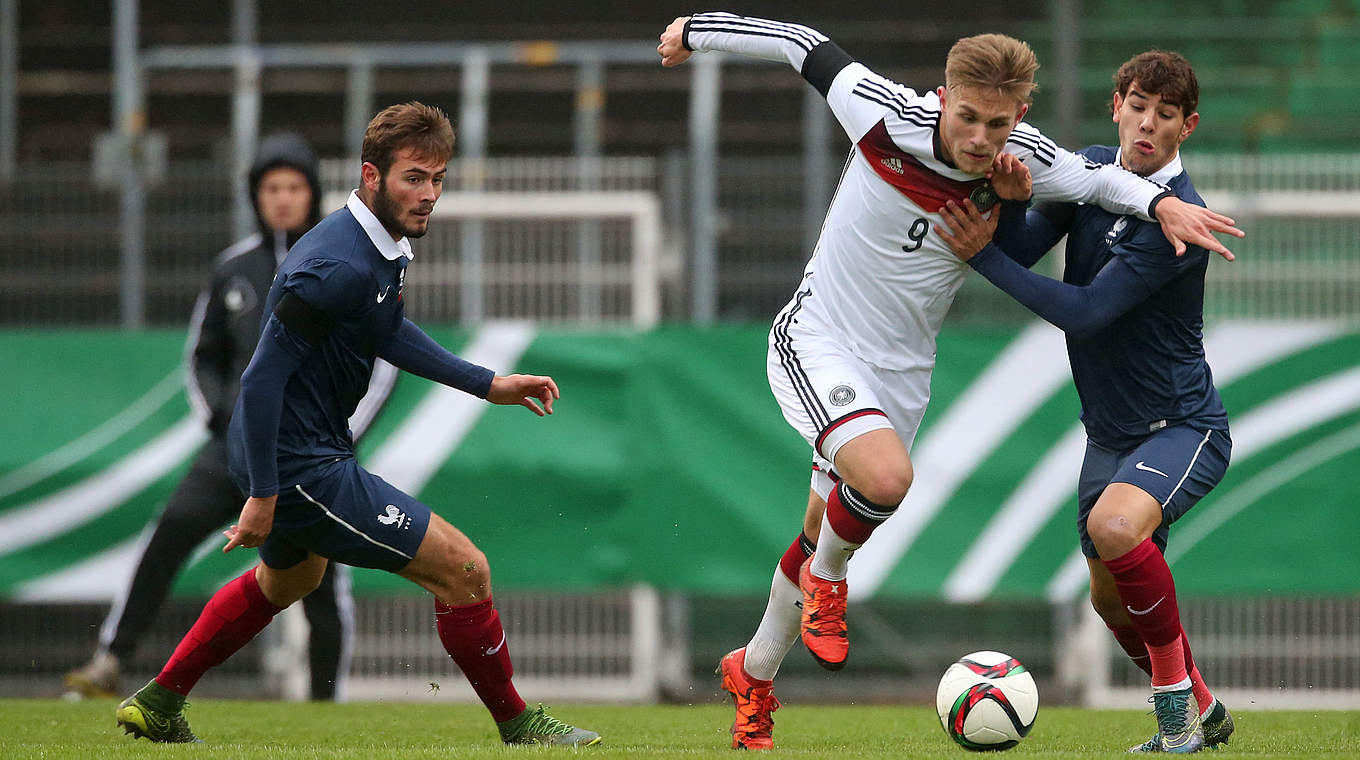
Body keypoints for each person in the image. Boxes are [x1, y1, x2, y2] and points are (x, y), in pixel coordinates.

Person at [657, 13, 1242, 750]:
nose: (976, 138)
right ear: (942, 98)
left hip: (904, 371)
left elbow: (1102, 187)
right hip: (822, 338)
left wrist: (1154, 202)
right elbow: (801, 43)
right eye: (965, 116)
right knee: (882, 484)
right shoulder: (883, 112)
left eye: (995, 124)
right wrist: (696, 29)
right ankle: (830, 588)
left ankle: (755, 671)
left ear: (1018, 118)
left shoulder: (1027, 157)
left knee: (821, 527)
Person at [112, 102, 600, 747]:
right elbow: (258, 379)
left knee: (293, 578)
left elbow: (387, 332)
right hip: (298, 464)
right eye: (413, 179)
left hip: (310, 449)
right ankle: (519, 725)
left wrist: (490, 384)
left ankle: (160, 701)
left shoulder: (379, 244)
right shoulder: (334, 265)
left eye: (438, 179)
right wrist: (263, 494)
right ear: (371, 175)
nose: (428, 195)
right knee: (465, 570)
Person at [937, 51, 1234, 753]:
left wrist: (981, 256)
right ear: (1116, 106)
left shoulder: (1178, 222)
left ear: (1187, 126)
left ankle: (1173, 724)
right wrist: (1008, 204)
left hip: (1182, 426)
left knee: (1114, 528)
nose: (1147, 123)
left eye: (1166, 115)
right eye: (1138, 105)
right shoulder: (1096, 170)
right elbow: (1030, 242)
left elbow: (1089, 312)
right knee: (1107, 598)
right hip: (1110, 434)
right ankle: (1206, 707)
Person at [64, 133, 396, 703]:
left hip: (319, 454)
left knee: (323, 579)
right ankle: (111, 660)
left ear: (313, 193)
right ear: (257, 196)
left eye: (294, 186)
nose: (284, 198)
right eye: (272, 187)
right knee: (167, 535)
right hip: (236, 451)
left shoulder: (346, 261)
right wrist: (226, 419)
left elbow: (383, 362)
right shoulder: (233, 269)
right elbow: (202, 357)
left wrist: (337, 435)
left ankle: (325, 703)